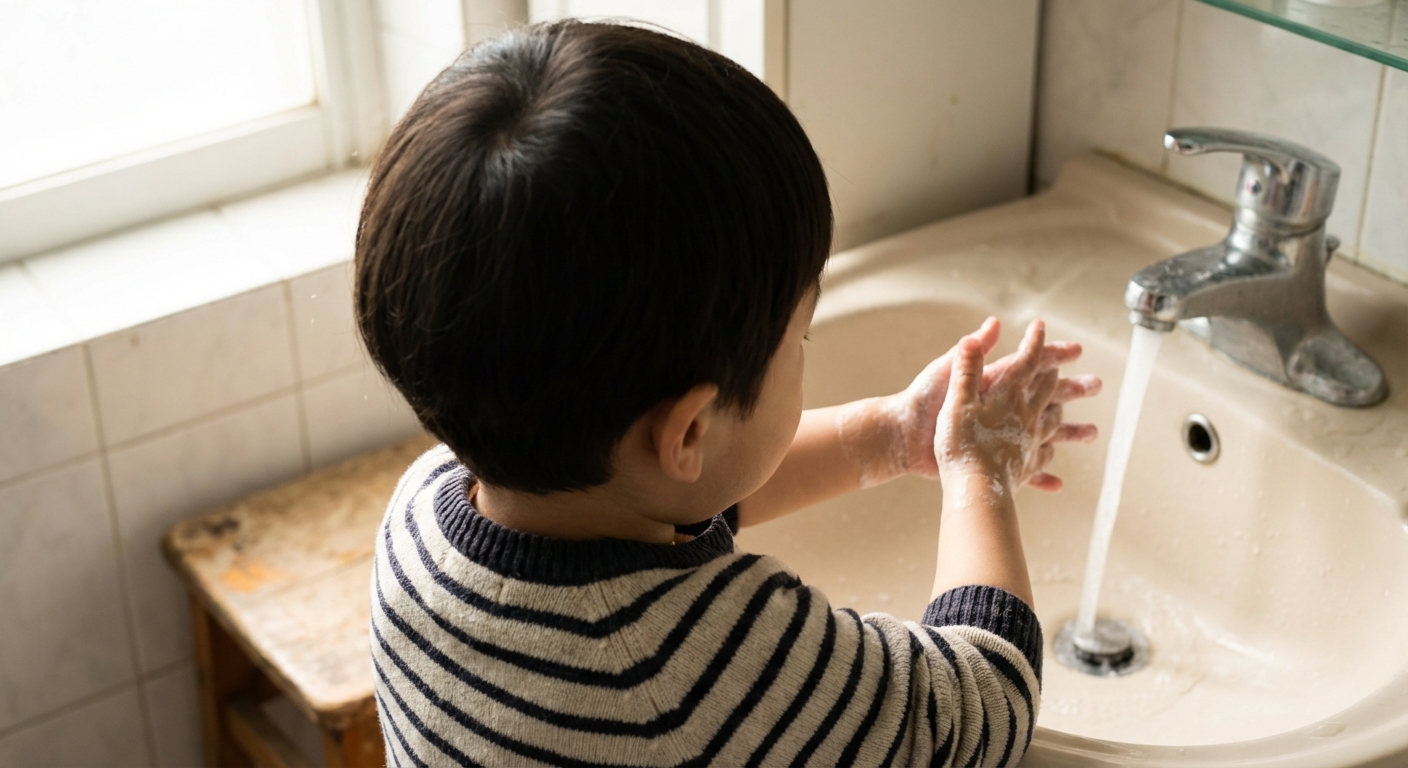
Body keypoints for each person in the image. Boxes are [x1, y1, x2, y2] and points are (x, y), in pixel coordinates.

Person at [356, 19, 1100, 767]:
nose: (803, 351)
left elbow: (679, 494)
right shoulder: (690, 670)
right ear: (688, 432)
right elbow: (975, 713)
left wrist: (891, 434)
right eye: (801, 338)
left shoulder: (420, 518)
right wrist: (979, 472)